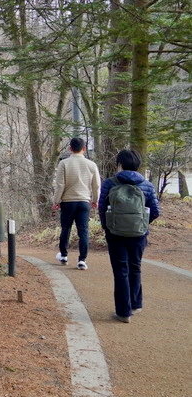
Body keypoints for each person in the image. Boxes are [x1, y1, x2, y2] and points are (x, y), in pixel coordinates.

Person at [98, 149, 160, 323]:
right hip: (138, 234)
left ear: (119, 164)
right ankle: (136, 304)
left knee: (120, 270)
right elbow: (155, 211)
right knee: (135, 266)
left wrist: (107, 226)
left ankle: (124, 313)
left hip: (115, 232)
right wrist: (142, 224)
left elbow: (102, 208)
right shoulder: (146, 185)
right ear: (138, 165)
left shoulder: (110, 183)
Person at [52, 137, 101, 270]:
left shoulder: (64, 163)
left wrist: (56, 201)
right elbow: (96, 186)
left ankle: (63, 255)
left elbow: (60, 185)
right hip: (84, 202)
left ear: (70, 149)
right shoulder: (92, 165)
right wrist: (95, 200)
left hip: (68, 202)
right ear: (84, 149)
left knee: (65, 229)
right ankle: (82, 260)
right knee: (83, 231)